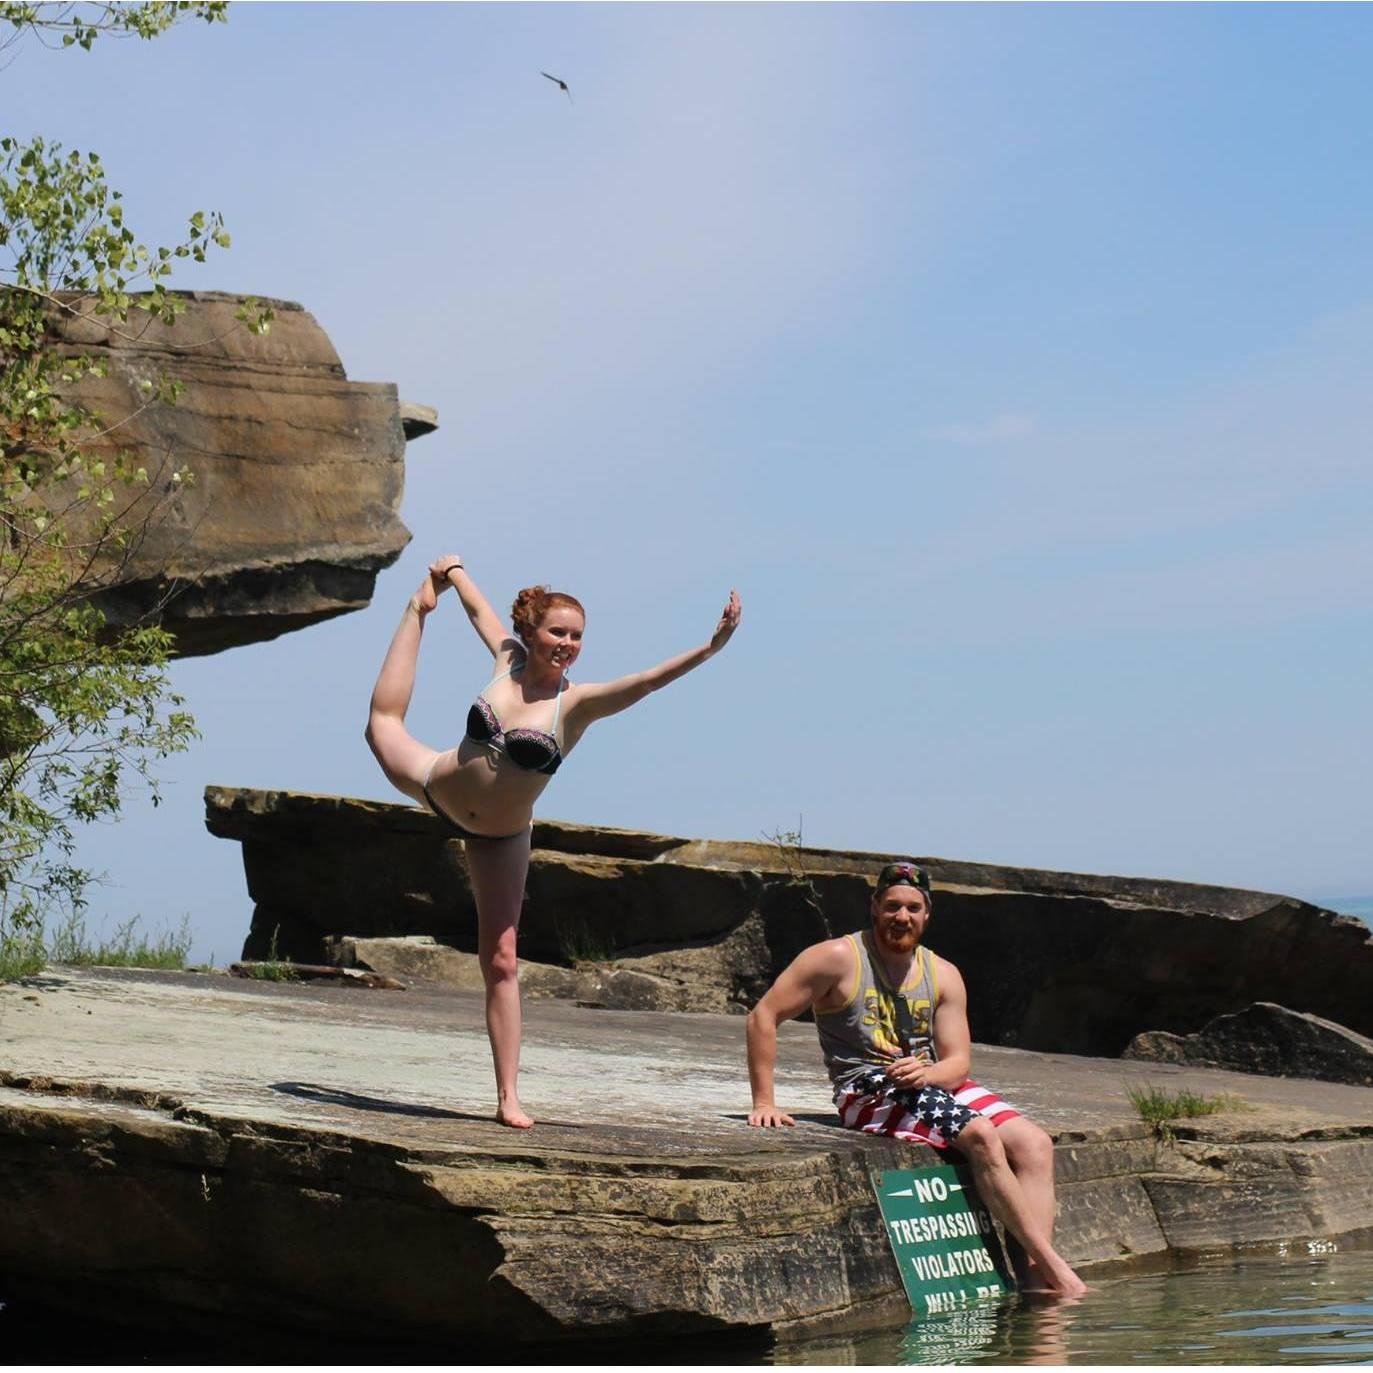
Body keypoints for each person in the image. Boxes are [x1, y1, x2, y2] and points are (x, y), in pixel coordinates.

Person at [366, 555, 741, 1129]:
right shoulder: (506, 657)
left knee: (502, 958)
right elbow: (480, 611)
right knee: (381, 724)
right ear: (530, 633)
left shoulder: (576, 704)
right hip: (434, 782)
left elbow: (644, 683)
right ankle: (415, 609)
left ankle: (508, 1096)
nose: (567, 643)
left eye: (577, 636)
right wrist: (451, 574)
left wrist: (708, 649)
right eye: (557, 632)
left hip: (500, 836)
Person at [745, 860, 1086, 1297]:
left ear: (927, 914)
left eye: (911, 908)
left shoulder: (943, 973)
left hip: (931, 1080)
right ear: (874, 908)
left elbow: (958, 1063)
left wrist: (927, 1072)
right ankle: (1059, 1273)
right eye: (891, 906)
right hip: (868, 1087)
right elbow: (763, 1016)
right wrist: (764, 1102)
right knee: (980, 1135)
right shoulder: (835, 958)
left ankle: (1035, 1276)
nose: (900, 917)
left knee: (1034, 1144)